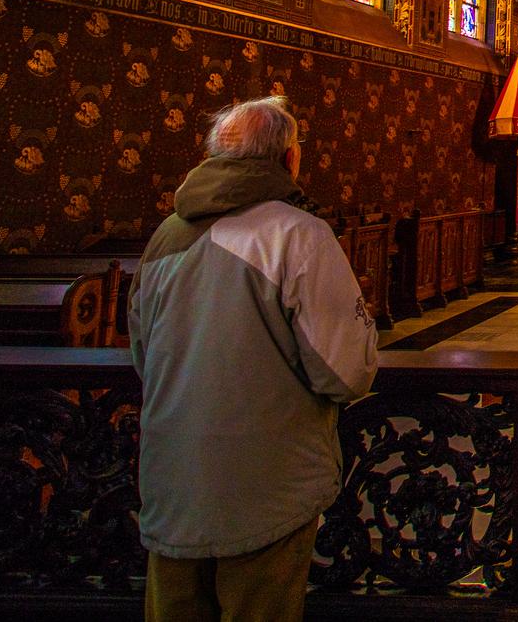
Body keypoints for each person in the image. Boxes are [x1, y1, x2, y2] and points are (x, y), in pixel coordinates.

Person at [130, 95, 377, 622]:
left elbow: (142, 353)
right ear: (289, 159)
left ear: (216, 155)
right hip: (266, 484)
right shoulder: (297, 235)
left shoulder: (164, 237)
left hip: (171, 477)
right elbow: (344, 371)